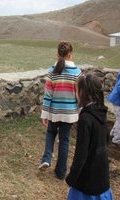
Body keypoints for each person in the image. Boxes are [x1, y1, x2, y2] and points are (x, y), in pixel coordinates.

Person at [66, 74, 114, 200]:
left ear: (82, 93)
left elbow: (81, 154)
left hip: (86, 182)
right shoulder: (101, 112)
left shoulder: (85, 119)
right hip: (102, 176)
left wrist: (71, 178)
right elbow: (106, 139)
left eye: (77, 90)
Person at [38, 41, 82, 180]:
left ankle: (46, 159)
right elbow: (79, 96)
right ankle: (61, 172)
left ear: (57, 54)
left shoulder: (52, 72)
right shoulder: (77, 72)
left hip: (54, 112)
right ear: (71, 54)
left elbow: (48, 95)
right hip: (69, 114)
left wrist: (44, 114)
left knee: (51, 133)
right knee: (64, 140)